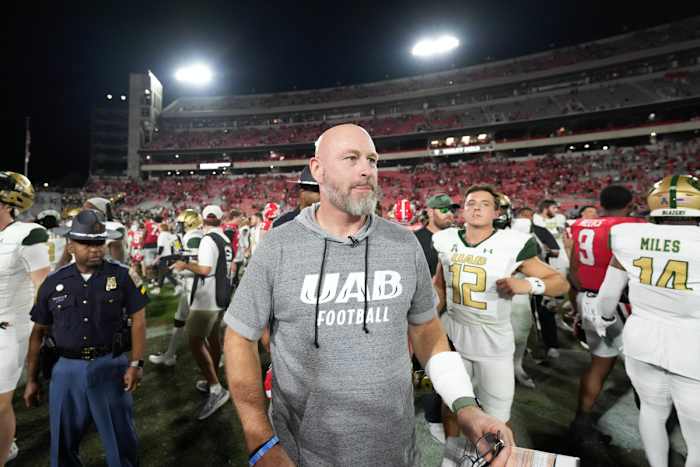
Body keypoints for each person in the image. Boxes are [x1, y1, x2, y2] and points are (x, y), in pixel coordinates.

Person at [223, 124, 514, 467]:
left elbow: (426, 331)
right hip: (303, 453)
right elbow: (239, 337)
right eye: (351, 158)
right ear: (317, 169)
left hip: (396, 452)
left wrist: (465, 406)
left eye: (372, 160)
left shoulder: (404, 244)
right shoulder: (278, 245)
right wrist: (259, 438)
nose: (366, 169)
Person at [433, 185, 569, 437]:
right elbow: (439, 285)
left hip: (493, 342)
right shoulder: (445, 239)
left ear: (497, 212)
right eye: (471, 203)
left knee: (497, 420)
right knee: (451, 406)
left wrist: (527, 284)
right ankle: (450, 457)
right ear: (463, 210)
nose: (476, 208)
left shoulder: (512, 243)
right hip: (454, 335)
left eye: (484, 204)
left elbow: (560, 282)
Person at [24, 209, 147, 467]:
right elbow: (38, 333)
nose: (95, 249)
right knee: (63, 445)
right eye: (86, 243)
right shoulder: (52, 282)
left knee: (121, 443)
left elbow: (139, 320)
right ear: (70, 245)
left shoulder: (121, 275)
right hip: (66, 370)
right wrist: (32, 379)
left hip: (110, 365)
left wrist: (136, 363)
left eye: (99, 242)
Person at [592, 174, 700, 467]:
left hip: (641, 337)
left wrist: (604, 318)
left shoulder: (630, 234)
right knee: (697, 434)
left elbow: (608, 294)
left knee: (652, 409)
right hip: (692, 344)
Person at [568, 184, 645, 446]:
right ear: (630, 204)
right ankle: (655, 431)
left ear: (600, 203)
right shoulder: (633, 225)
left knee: (599, 364)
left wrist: (577, 300)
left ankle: (580, 421)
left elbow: (573, 266)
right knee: (643, 369)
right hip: (619, 303)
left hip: (587, 297)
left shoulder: (582, 225)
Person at [0, 172, 50, 466]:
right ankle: (9, 442)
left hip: (9, 328)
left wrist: (42, 334)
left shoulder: (28, 234)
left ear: (7, 202)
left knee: (0, 404)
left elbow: (43, 288)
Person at [171, 204, 232, 420]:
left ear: (204, 220)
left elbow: (205, 269)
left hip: (207, 298)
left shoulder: (208, 239)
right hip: (221, 296)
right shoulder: (224, 239)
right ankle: (212, 378)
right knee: (213, 339)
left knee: (195, 342)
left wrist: (185, 265)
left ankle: (216, 388)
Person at [149, 209, 204, 367]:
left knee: (200, 327)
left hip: (195, 285)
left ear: (189, 222)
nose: (177, 226)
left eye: (180, 223)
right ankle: (170, 355)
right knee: (180, 320)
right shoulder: (190, 236)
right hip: (190, 285)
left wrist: (180, 268)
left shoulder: (194, 237)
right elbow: (184, 256)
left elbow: (197, 265)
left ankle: (218, 357)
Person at [415, 194, 459, 277]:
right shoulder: (415, 239)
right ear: (430, 212)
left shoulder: (458, 238)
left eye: (452, 210)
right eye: (444, 210)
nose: (449, 214)